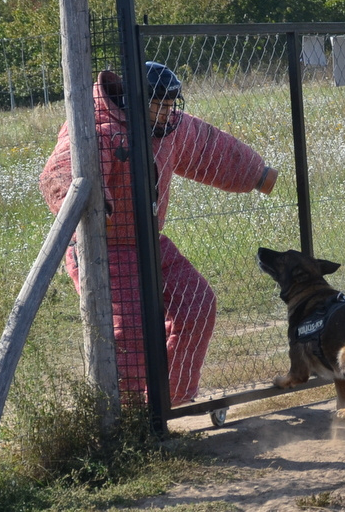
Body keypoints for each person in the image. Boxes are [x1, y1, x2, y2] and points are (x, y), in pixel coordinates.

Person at [40, 61, 279, 405]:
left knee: (196, 304)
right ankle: (130, 419)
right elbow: (60, 171)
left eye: (172, 104)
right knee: (129, 333)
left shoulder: (168, 127)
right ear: (137, 100)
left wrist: (258, 174)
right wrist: (93, 207)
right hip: (100, 247)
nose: (169, 112)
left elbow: (210, 148)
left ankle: (170, 403)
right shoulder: (95, 126)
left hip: (149, 244)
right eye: (161, 105)